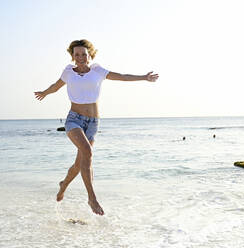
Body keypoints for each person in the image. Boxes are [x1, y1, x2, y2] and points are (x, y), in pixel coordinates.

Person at [34, 39, 159, 215]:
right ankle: (92, 198)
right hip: (74, 120)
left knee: (80, 163)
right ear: (72, 56)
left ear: (89, 55)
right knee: (88, 153)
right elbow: (56, 86)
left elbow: (122, 76)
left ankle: (63, 186)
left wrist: (144, 77)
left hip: (93, 123)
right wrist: (44, 93)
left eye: (83, 54)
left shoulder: (97, 70)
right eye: (76, 54)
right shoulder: (68, 72)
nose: (80, 57)